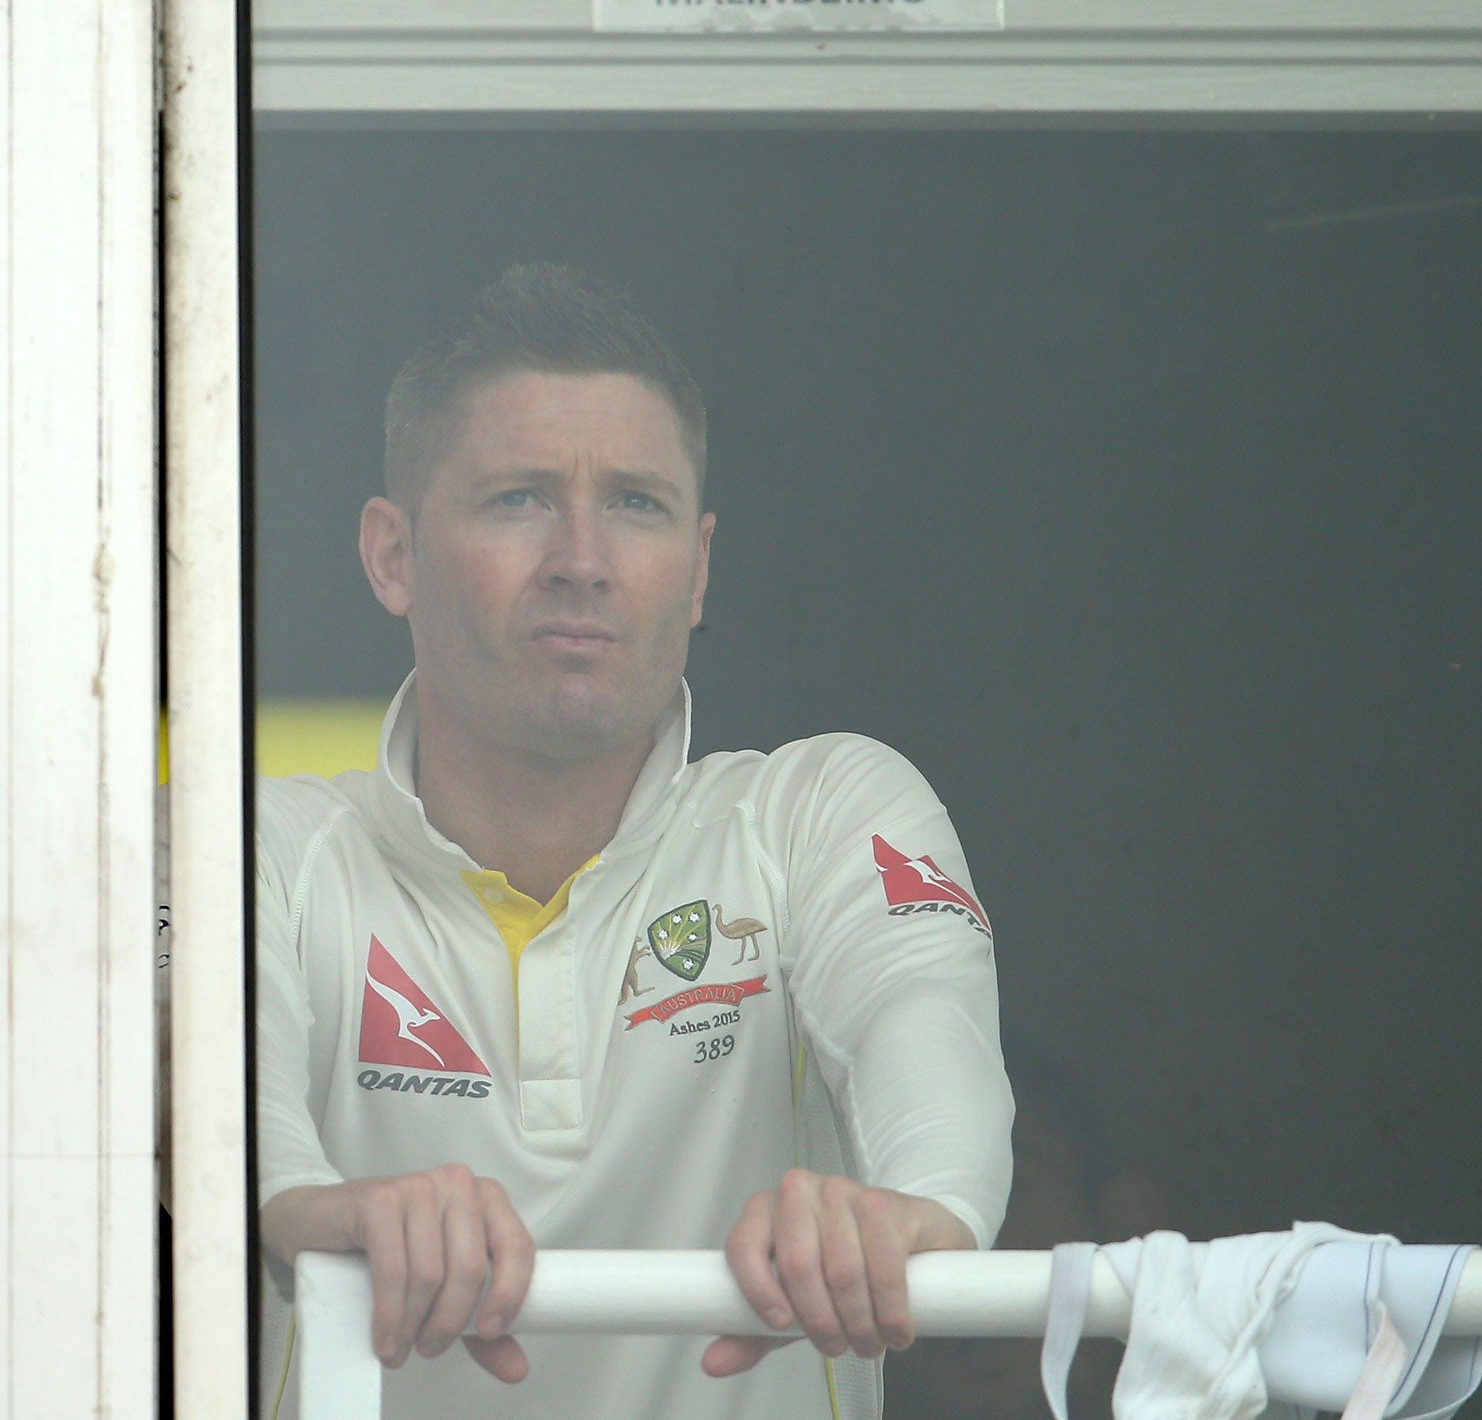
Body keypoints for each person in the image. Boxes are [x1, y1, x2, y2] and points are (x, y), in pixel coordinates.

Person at [248, 263, 1013, 1419]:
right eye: (517, 498)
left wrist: (913, 1211)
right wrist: (307, 1206)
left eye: (636, 505)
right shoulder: (266, 847)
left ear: (698, 568)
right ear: (391, 554)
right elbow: (197, 1102)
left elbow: (924, 1024)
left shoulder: (813, 814)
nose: (582, 558)